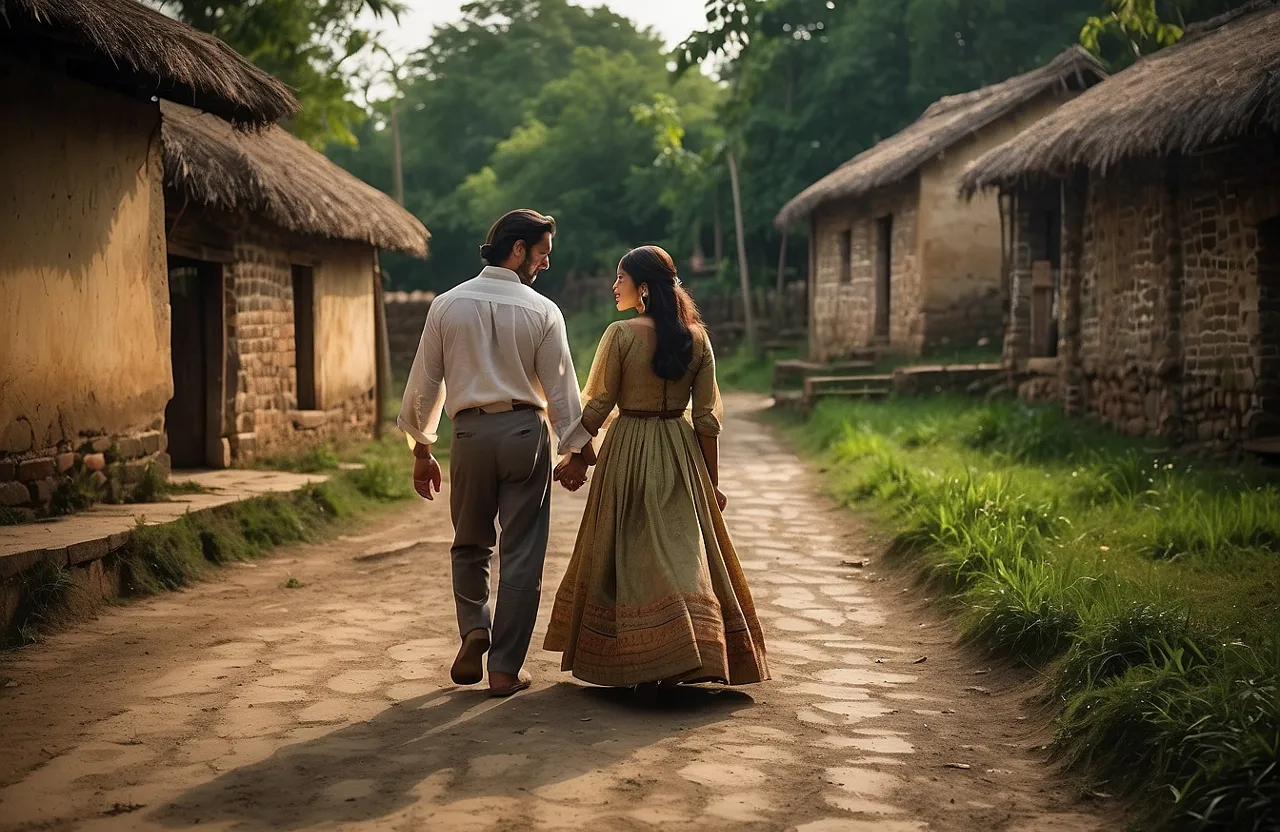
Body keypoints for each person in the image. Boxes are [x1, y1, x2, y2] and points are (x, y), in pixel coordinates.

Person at [543, 245, 770, 689]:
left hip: (628, 447)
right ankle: (692, 647)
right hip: (680, 451)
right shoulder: (698, 339)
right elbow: (707, 419)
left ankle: (643, 656)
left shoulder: (620, 335)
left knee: (630, 552)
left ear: (642, 288)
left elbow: (599, 404)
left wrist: (573, 453)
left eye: (620, 279)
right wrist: (711, 483)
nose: (614, 286)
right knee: (682, 551)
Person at [398, 209, 594, 698]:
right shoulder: (544, 312)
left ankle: (474, 629)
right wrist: (578, 453)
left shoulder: (446, 305)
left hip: (468, 436)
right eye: (543, 252)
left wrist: (422, 449)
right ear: (519, 249)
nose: (546, 263)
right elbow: (563, 391)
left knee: (469, 543)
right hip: (526, 435)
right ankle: (505, 669)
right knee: (522, 552)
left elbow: (424, 384)